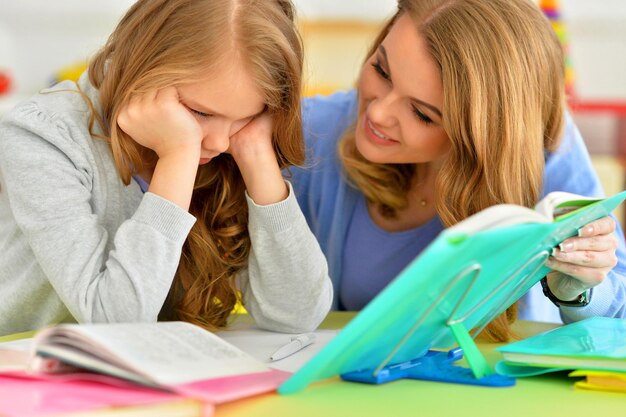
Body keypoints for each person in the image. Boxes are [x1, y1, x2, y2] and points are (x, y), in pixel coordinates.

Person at [291, 0, 626, 341]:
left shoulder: (543, 150)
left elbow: (619, 307)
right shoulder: (313, 130)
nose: (378, 113)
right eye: (381, 70)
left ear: (481, 136)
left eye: (422, 114)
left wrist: (578, 291)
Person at [0, 0, 332, 336]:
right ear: (144, 69)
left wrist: (257, 156)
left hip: (146, 377)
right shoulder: (43, 134)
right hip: (25, 370)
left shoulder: (230, 148)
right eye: (200, 113)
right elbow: (115, 322)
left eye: (245, 117)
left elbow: (298, 314)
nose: (219, 143)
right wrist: (178, 157)